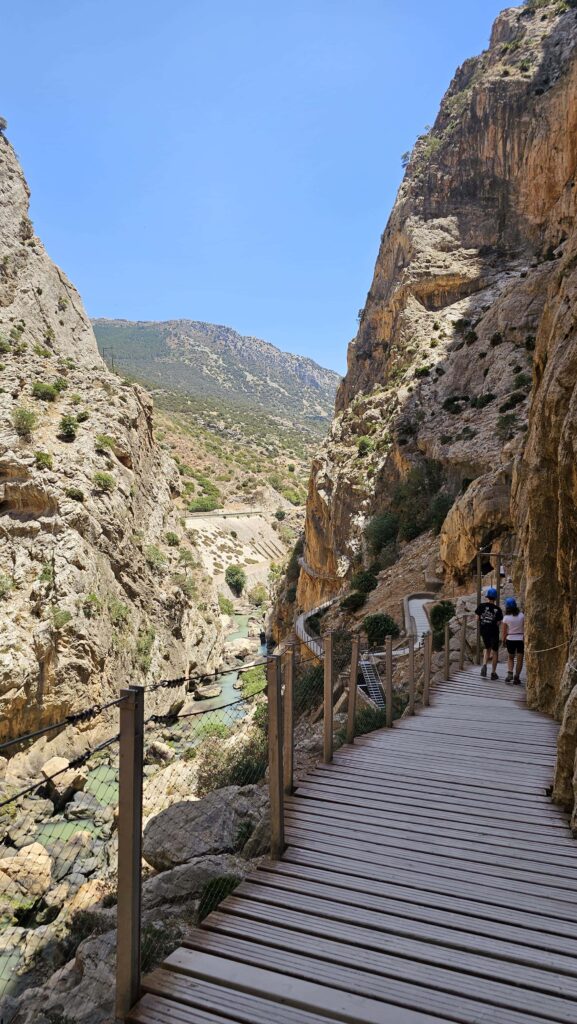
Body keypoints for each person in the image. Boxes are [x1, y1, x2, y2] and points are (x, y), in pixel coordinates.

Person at [475, 587, 503, 680]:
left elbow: (477, 619)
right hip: (494, 632)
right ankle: (493, 673)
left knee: (487, 649)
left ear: (487, 596)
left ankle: (484, 665)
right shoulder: (498, 610)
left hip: (484, 631)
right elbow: (498, 622)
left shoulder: (481, 606)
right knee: (495, 652)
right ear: (495, 598)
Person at [502, 597, 525, 685]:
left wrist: (504, 641)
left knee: (511, 657)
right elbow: (525, 627)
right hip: (520, 639)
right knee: (520, 659)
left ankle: (510, 673)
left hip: (510, 639)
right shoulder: (522, 615)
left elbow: (504, 632)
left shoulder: (506, 618)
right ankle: (517, 677)